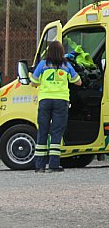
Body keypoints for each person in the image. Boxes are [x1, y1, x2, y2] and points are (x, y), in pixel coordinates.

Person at [30, 40, 82, 172]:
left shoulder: (43, 64)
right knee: (56, 132)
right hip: (61, 100)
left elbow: (33, 82)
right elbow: (78, 82)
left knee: (42, 131)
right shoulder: (66, 65)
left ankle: (39, 166)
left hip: (45, 100)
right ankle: (53, 165)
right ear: (61, 52)